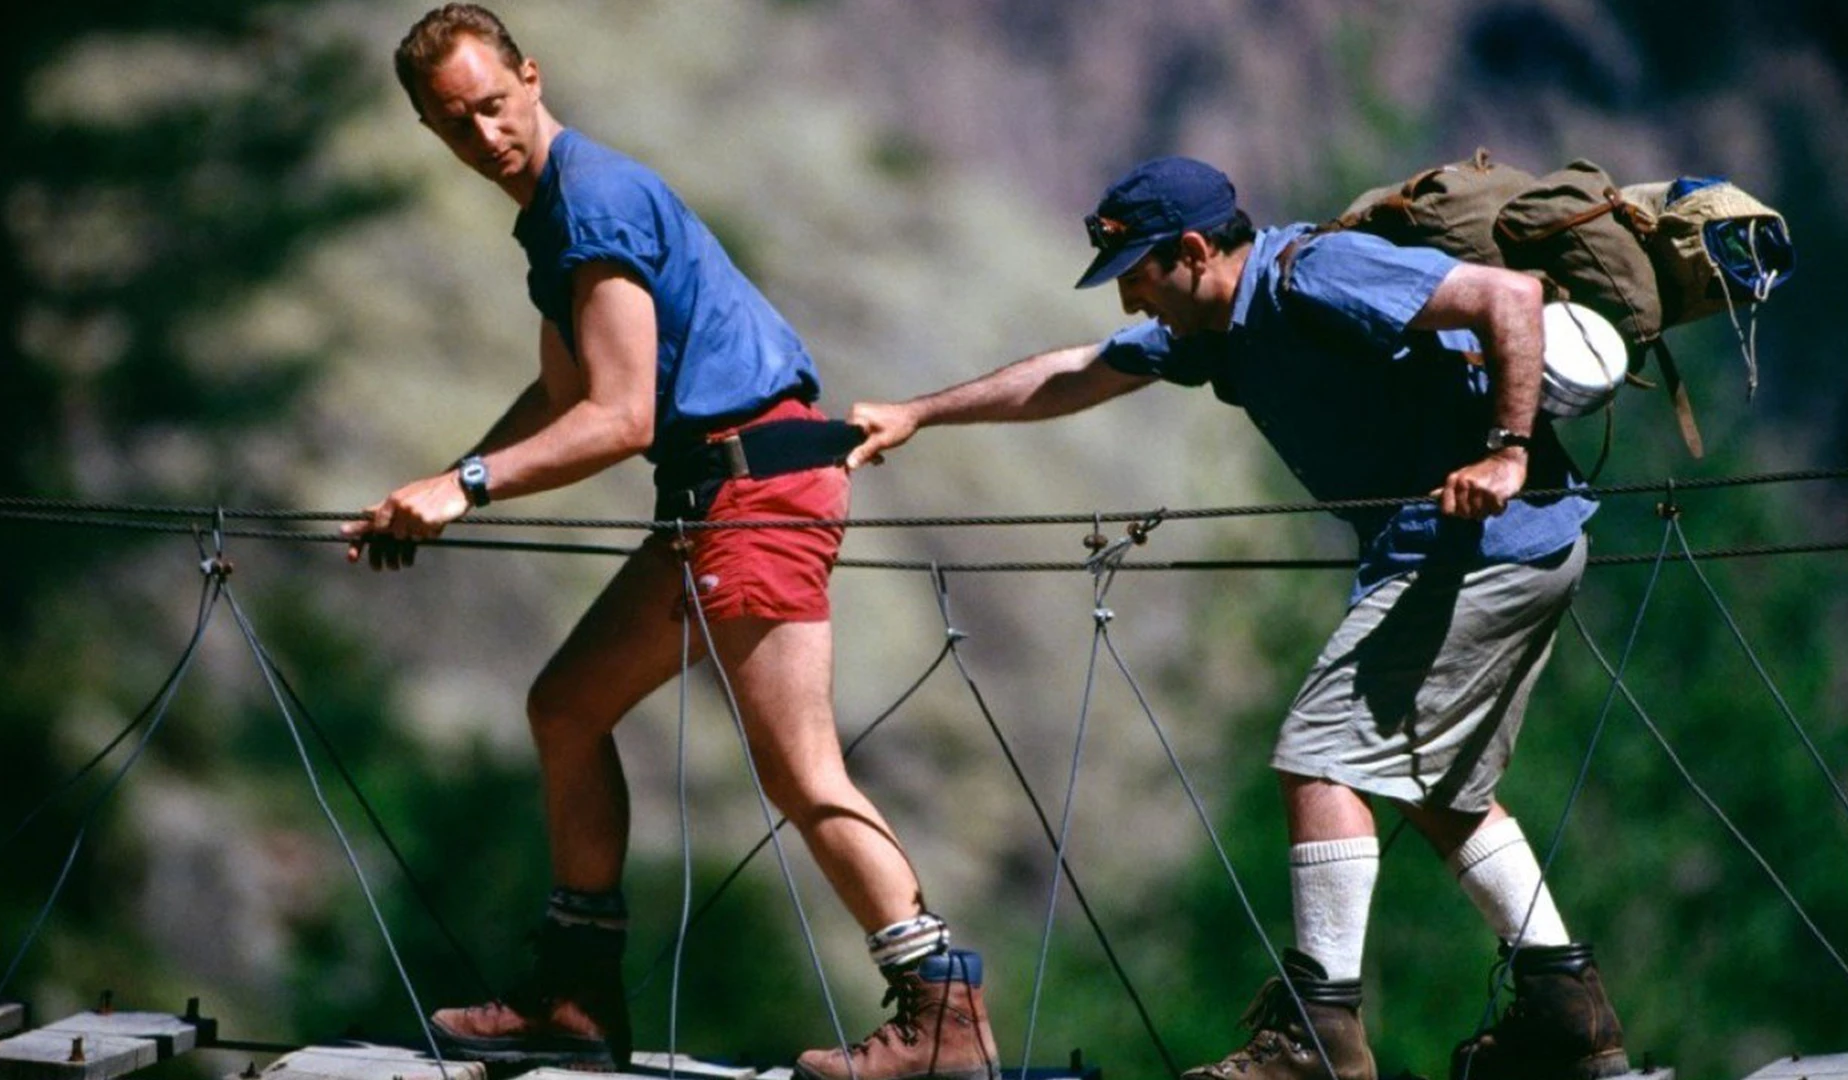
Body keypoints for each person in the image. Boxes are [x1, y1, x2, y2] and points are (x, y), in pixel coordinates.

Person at [843, 157, 1630, 1080]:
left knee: (1319, 755)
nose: (1134, 304)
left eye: (1138, 276)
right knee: (1435, 786)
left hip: (1484, 544)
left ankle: (1319, 1039)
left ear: (1189, 251)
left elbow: (1509, 299)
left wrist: (1506, 452)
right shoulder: (1220, 329)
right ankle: (1568, 1014)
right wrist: (917, 415)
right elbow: (1076, 374)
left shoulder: (1316, 275)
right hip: (1492, 550)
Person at [345, 7, 999, 1079]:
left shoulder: (589, 204)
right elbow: (561, 393)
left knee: (799, 769)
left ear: (532, 78)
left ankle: (942, 1012)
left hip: (757, 490)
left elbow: (616, 419)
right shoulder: (556, 216)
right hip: (716, 497)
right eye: (456, 123)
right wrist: (435, 487)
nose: (484, 137)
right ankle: (579, 994)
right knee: (566, 706)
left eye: (495, 106)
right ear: (431, 128)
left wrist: (462, 488)